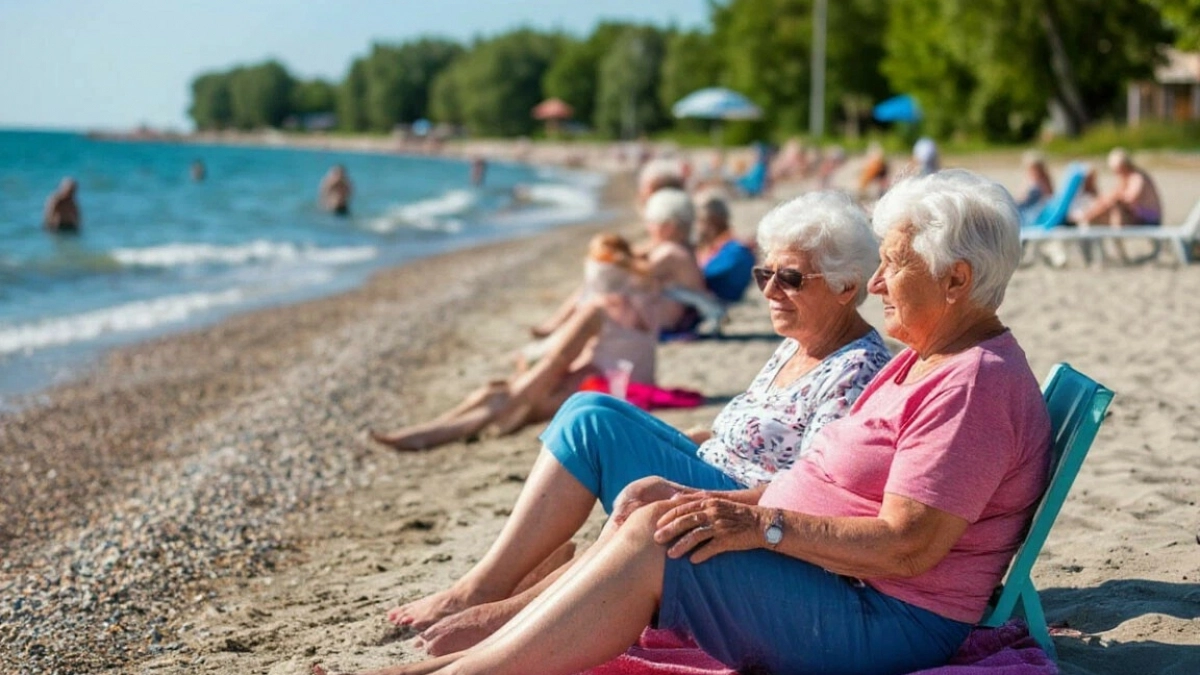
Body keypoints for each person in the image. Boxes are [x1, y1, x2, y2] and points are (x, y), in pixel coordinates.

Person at [330, 170, 1050, 675]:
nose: (880, 282)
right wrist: (730, 505)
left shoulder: (971, 384)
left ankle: (468, 669)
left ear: (956, 279)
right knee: (657, 507)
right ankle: (472, 658)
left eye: (893, 264)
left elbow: (908, 546)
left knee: (658, 537)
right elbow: (825, 484)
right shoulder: (926, 358)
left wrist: (760, 525)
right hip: (843, 583)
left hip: (883, 620)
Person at [380, 190, 891, 657]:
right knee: (589, 411)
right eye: (765, 275)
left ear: (846, 287)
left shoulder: (855, 371)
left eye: (791, 278)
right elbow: (747, 436)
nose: (771, 291)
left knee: (595, 428)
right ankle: (495, 588)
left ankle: (499, 598)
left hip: (743, 516)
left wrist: (684, 481)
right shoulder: (799, 342)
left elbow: (813, 495)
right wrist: (673, 443)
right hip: (713, 468)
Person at [370, 233, 660, 451]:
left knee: (505, 400)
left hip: (615, 391)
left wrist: (517, 396)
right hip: (630, 384)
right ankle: (432, 430)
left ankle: (430, 434)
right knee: (497, 393)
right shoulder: (644, 301)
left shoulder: (597, 309)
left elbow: (557, 360)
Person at [533, 188, 712, 339]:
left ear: (669, 227)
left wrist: (617, 259)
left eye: (652, 223)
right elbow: (639, 255)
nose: (648, 227)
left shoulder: (671, 253)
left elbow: (638, 272)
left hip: (667, 321)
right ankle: (558, 325)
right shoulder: (682, 248)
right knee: (598, 289)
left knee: (600, 288)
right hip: (674, 316)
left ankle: (558, 326)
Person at [693, 194, 755, 304]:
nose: (696, 227)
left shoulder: (737, 251)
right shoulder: (706, 247)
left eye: (699, 221)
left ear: (712, 223)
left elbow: (705, 278)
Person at [1077, 147, 1163, 226]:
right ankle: (1087, 217)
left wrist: (1110, 200)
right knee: (1107, 203)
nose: (1117, 174)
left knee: (1115, 204)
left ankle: (1088, 218)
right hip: (1139, 216)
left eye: (1118, 170)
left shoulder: (1137, 177)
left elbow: (1130, 199)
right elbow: (1114, 195)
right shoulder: (1126, 178)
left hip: (1149, 218)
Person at [1015, 150, 1054, 225]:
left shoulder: (1044, 180)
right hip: (1026, 209)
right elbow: (1021, 198)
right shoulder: (1028, 179)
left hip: (1037, 211)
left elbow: (1049, 197)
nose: (1034, 171)